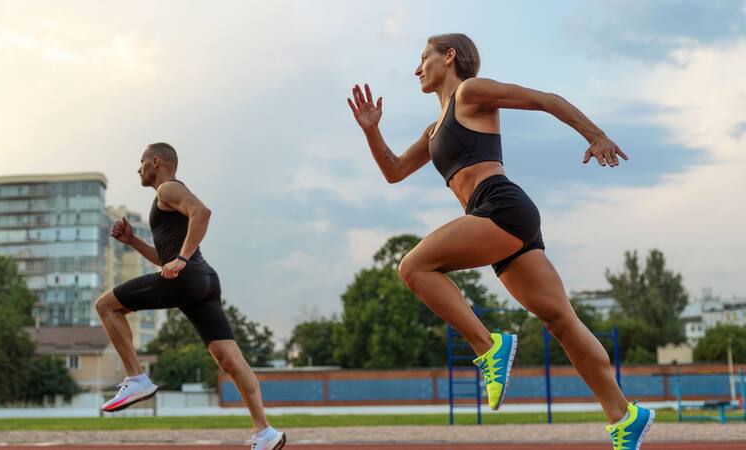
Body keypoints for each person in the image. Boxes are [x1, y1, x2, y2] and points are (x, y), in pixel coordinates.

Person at [347, 33, 653, 449]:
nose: (417, 69)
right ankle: (623, 415)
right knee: (561, 321)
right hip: (496, 220)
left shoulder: (471, 93)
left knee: (414, 267)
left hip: (499, 206)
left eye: (424, 58)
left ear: (449, 56)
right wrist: (372, 131)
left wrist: (595, 135)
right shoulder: (433, 130)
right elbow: (395, 171)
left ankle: (488, 346)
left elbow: (545, 99)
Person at [95, 142, 286, 450]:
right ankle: (265, 431)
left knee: (106, 306)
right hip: (203, 281)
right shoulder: (166, 199)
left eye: (141, 162)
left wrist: (182, 259)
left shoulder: (167, 188)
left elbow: (202, 212)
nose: (138, 169)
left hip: (187, 276)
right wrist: (133, 242)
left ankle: (136, 378)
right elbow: (164, 260)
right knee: (228, 358)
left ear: (156, 162)